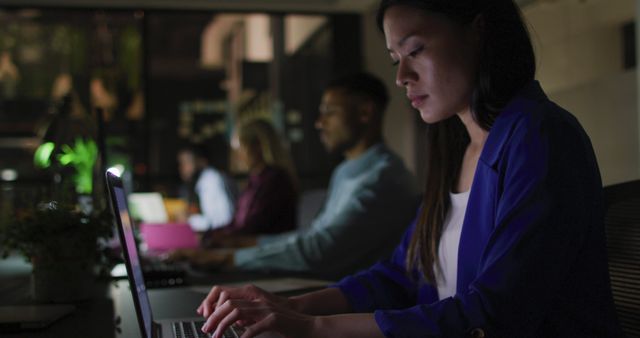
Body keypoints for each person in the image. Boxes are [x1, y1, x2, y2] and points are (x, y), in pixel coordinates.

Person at [191, 0, 622, 337]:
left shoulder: (539, 135)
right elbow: (401, 275)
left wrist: (313, 329)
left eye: (415, 49)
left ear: (479, 31)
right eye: (395, 56)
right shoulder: (456, 148)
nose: (401, 76)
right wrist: (290, 307)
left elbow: (494, 317)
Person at [170, 72, 419, 279]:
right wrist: (237, 246)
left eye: (329, 112)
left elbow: (319, 251)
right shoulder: (347, 171)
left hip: (351, 303)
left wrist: (227, 257)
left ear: (365, 112)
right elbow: (311, 238)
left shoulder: (383, 179)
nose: (319, 123)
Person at [205, 118, 298, 236]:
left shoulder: (275, 181)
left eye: (240, 148)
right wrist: (210, 234)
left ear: (258, 146)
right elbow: (236, 223)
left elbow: (253, 228)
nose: (237, 156)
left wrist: (218, 237)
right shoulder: (255, 180)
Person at [177, 144, 237, 231]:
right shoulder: (199, 182)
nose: (183, 168)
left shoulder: (211, 180)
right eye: (181, 163)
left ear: (202, 162)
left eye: (187, 162)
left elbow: (222, 221)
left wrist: (189, 221)